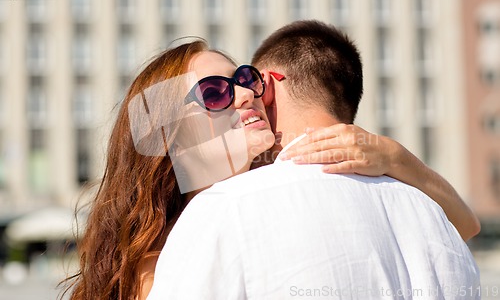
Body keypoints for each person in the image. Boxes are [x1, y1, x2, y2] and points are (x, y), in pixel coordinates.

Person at [61, 35, 477, 300]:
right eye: (214, 92)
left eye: (244, 78)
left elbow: (465, 225)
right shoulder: (156, 261)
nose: (245, 95)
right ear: (169, 136)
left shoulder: (260, 201)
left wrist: (395, 156)